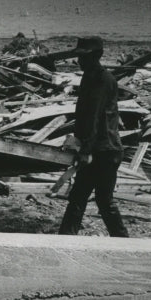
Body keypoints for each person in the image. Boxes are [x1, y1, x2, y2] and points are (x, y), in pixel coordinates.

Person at [58, 36, 129, 237]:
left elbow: (94, 117)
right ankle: (65, 240)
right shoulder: (88, 77)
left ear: (97, 56)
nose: (80, 61)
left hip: (105, 150)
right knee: (78, 197)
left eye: (84, 56)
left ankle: (124, 242)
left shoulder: (103, 79)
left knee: (103, 200)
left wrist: (86, 150)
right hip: (95, 148)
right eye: (79, 57)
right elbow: (85, 116)